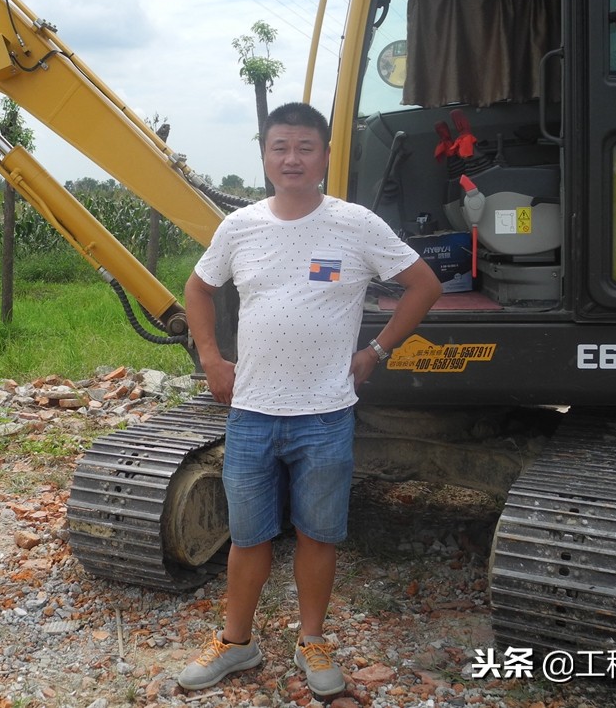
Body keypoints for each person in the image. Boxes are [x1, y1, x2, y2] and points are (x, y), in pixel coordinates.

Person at [177, 102, 442, 698]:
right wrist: (212, 359)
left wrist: (376, 350)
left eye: (305, 148)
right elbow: (197, 287)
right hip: (251, 413)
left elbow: (424, 284)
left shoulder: (357, 225)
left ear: (325, 156)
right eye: (280, 148)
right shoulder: (239, 227)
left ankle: (312, 639)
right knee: (248, 537)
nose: (292, 159)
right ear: (265, 157)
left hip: (324, 415)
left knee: (319, 535)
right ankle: (237, 643)